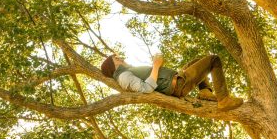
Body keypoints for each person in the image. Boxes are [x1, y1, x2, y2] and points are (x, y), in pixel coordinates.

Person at [100, 53, 243, 111]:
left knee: (196, 61)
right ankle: (224, 100)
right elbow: (146, 88)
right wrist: (156, 66)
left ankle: (205, 92)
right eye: (117, 58)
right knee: (213, 59)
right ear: (114, 65)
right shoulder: (124, 76)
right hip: (178, 85)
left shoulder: (127, 72)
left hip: (177, 80)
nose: (120, 58)